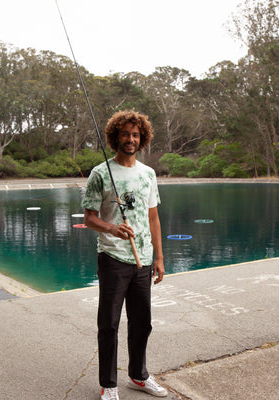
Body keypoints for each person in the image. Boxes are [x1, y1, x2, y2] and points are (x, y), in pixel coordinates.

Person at [83, 110, 168, 400]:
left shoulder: (148, 174)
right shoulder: (100, 173)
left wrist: (159, 258)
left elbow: (153, 218)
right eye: (125, 134)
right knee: (109, 324)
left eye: (135, 134)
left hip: (143, 261)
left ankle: (138, 376)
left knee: (142, 323)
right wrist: (112, 229)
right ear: (115, 137)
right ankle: (109, 384)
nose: (130, 139)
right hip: (113, 259)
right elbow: (90, 218)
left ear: (141, 138)